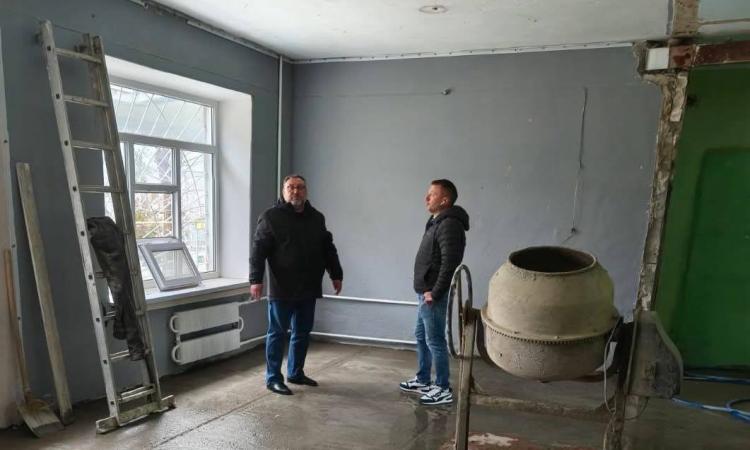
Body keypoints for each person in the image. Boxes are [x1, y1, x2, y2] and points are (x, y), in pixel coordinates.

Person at [250, 174, 343, 395]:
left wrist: (336, 274)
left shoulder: (316, 218)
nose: (295, 191)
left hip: (309, 286)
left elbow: (328, 249)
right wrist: (255, 280)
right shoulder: (270, 217)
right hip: (281, 288)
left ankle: (295, 372)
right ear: (283, 191)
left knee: (302, 332)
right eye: (290, 187)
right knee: (277, 333)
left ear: (306, 191)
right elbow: (258, 251)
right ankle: (273, 378)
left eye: (300, 187)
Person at [400, 179, 469, 406]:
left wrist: (435, 292)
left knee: (435, 340)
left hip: (432, 295)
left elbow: (450, 263)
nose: (427, 198)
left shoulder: (449, 224)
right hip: (425, 291)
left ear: (445, 200)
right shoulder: (435, 221)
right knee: (422, 336)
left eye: (432, 194)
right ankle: (423, 379)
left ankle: (442, 388)